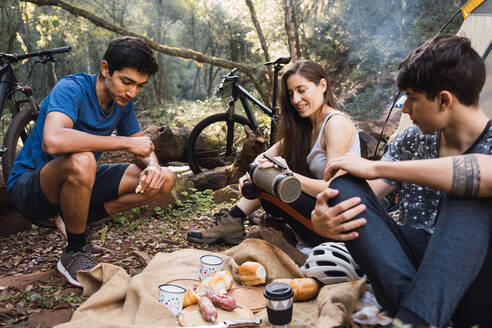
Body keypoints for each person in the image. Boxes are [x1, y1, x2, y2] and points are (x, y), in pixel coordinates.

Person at [311, 34, 492, 328]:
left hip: (478, 286)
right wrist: (323, 217)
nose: (404, 108)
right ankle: (416, 317)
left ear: (444, 100)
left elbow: (486, 174)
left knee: (468, 190)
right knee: (344, 188)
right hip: (408, 277)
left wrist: (380, 168)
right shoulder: (413, 139)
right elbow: (364, 197)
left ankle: (415, 318)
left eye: (412, 97)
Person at [6, 36, 176, 287]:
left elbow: (143, 148)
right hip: (30, 185)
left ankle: (77, 219)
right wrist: (125, 143)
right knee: (83, 160)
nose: (132, 92)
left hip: (79, 178)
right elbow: (53, 140)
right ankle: (75, 250)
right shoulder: (71, 88)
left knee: (165, 179)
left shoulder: (122, 103)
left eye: (140, 86)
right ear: (106, 69)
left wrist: (152, 166)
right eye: (126, 82)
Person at [187, 59, 360, 249]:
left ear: (322, 86)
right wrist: (250, 173)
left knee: (274, 180)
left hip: (335, 228)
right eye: (291, 94)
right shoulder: (307, 127)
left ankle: (235, 220)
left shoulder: (335, 124)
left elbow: (333, 188)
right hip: (318, 213)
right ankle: (251, 221)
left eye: (302, 91)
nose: (295, 100)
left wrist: (287, 175)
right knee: (265, 172)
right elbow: (267, 156)